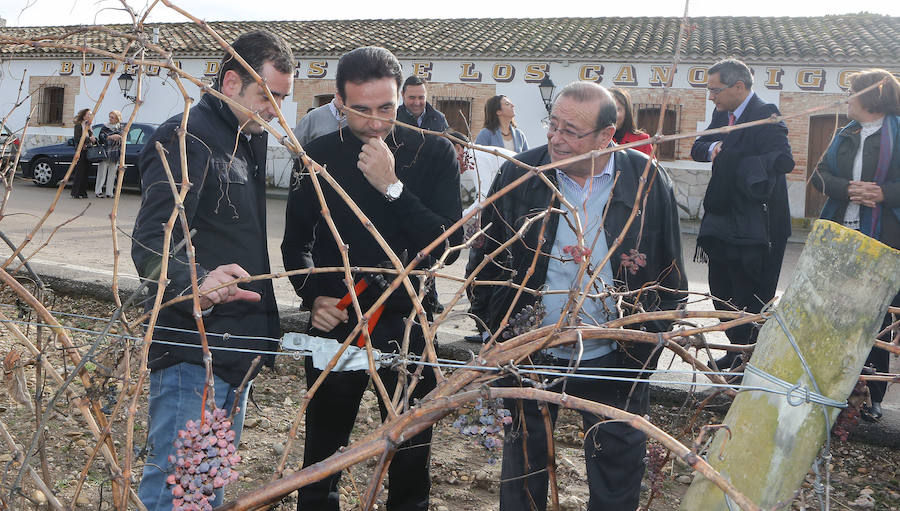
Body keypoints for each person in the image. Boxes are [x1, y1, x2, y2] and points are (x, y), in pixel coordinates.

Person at [471, 81, 687, 510]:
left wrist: (642, 348)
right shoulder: (521, 174)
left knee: (617, 477)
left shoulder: (645, 181)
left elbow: (670, 276)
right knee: (523, 474)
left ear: (606, 136)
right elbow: (485, 267)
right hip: (529, 351)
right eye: (553, 124)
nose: (555, 138)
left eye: (571, 131)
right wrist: (500, 334)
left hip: (616, 359)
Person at [282, 46, 462, 511]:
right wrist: (313, 296)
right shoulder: (317, 157)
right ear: (338, 103)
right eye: (361, 111)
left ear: (401, 97)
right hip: (337, 322)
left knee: (410, 452)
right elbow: (294, 244)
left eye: (387, 107)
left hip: (408, 323)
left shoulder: (434, 152)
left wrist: (392, 187)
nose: (377, 122)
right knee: (321, 453)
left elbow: (447, 246)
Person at [132, 30, 292, 509]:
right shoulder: (186, 136)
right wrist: (194, 282)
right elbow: (152, 238)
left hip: (232, 350)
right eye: (267, 96)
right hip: (192, 352)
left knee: (205, 490)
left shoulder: (244, 138)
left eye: (282, 99)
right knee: (177, 493)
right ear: (230, 82)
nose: (275, 110)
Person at [690, 58, 795, 370]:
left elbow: (782, 161)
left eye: (715, 90)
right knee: (721, 291)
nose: (711, 96)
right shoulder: (722, 113)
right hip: (724, 220)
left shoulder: (766, 115)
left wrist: (730, 154)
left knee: (750, 293)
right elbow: (698, 147)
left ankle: (750, 359)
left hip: (758, 225)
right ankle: (734, 351)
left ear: (739, 86)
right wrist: (717, 149)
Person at [812, 68, 900, 421]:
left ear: (871, 98)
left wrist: (885, 193)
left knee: (876, 318)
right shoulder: (846, 132)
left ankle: (873, 394)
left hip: (884, 237)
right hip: (841, 234)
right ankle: (832, 388)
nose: (846, 98)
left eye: (851, 92)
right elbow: (819, 174)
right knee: (836, 314)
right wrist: (846, 188)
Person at [609, 87, 652, 156]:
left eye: (618, 109)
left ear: (627, 112)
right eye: (608, 109)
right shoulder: (596, 140)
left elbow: (651, 166)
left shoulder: (642, 141)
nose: (612, 114)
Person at [96, 110, 123, 198]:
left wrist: (116, 137)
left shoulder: (120, 128)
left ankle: (109, 192)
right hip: (105, 152)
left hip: (115, 153)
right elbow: (101, 137)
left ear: (117, 119)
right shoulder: (105, 127)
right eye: (110, 117)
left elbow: (122, 137)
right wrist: (111, 137)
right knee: (101, 173)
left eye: (112, 117)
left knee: (112, 174)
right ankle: (98, 191)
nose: (110, 119)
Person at [70, 108, 95, 199]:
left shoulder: (89, 126)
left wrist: (93, 139)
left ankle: (83, 192)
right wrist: (89, 139)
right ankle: (76, 192)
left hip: (88, 151)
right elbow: (77, 138)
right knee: (80, 172)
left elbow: (91, 136)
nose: (90, 116)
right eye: (88, 114)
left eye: (91, 114)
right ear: (84, 115)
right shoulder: (79, 125)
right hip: (81, 151)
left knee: (86, 172)